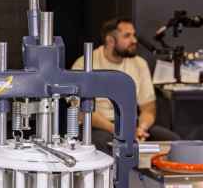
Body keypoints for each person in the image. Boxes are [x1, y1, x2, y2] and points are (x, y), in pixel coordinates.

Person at [72, 17, 180, 152]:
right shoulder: (84, 64)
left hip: (131, 125)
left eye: (134, 35)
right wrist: (118, 130)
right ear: (110, 40)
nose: (134, 40)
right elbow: (82, 112)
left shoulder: (139, 63)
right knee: (107, 146)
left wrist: (141, 128)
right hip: (98, 126)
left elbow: (148, 107)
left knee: (174, 142)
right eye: (127, 36)